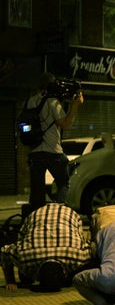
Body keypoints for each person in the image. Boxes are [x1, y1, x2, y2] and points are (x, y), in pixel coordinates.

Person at [1, 203, 92, 292]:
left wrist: (10, 281)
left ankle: (26, 275)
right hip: (64, 214)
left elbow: (5, 251)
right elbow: (5, 251)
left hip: (43, 214)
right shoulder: (25, 256)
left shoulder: (77, 256)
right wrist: (10, 281)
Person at [26, 72, 83, 210]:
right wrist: (75, 106)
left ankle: (37, 219)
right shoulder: (52, 102)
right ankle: (57, 212)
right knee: (64, 182)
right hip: (53, 151)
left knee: (37, 192)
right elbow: (66, 124)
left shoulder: (31, 100)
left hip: (35, 152)